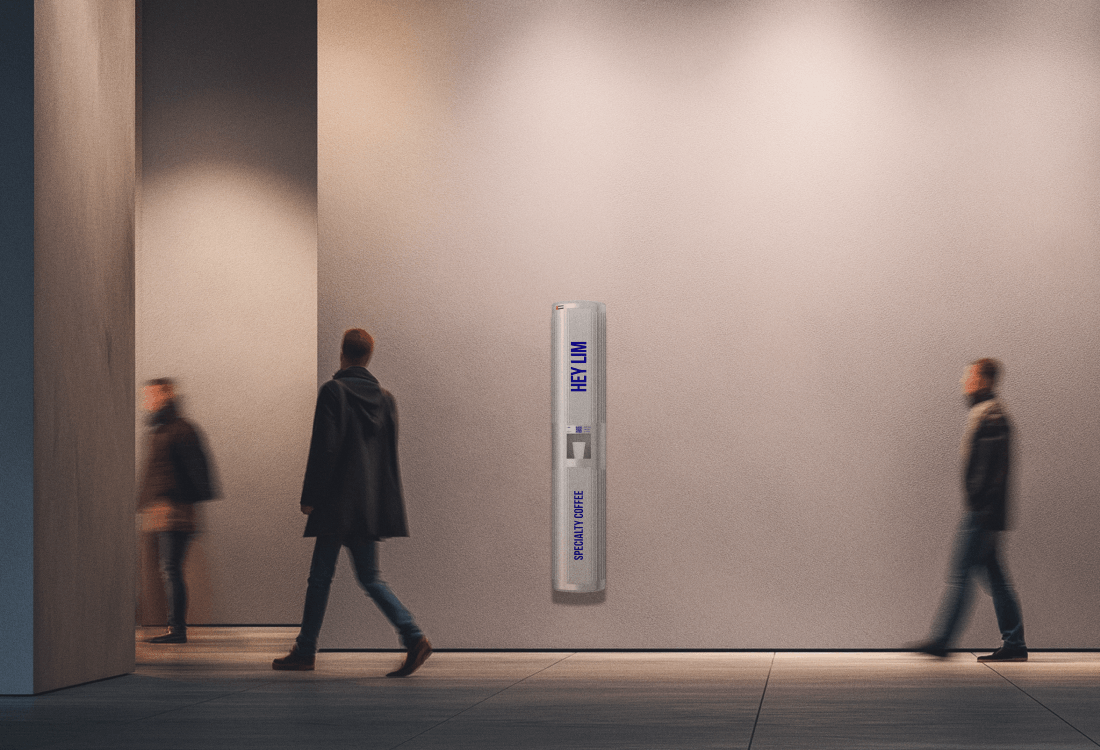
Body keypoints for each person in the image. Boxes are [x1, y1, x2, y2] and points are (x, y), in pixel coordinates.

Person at [273, 328, 432, 677]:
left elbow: (324, 448)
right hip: (368, 505)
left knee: (320, 578)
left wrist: (310, 497)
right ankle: (413, 635)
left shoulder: (333, 392)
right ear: (368, 357)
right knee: (370, 577)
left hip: (335, 503)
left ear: (342, 354)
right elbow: (387, 457)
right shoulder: (386, 399)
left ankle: (305, 651)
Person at [917, 358, 1027, 661]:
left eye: (969, 377)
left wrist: (979, 507)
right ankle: (1015, 643)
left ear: (983, 380)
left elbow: (991, 473)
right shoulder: (987, 413)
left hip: (981, 513)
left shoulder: (992, 415)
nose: (964, 382)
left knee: (961, 574)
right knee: (996, 579)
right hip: (985, 512)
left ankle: (942, 641)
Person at [138, 378, 218, 644]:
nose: (147, 401)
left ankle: (177, 629)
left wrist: (172, 499)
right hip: (159, 512)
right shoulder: (161, 430)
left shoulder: (181, 429)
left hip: (173, 512)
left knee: (171, 569)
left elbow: (197, 472)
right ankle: (171, 627)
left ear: (166, 395)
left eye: (151, 395)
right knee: (165, 570)